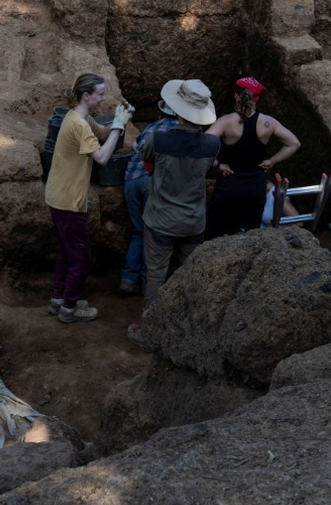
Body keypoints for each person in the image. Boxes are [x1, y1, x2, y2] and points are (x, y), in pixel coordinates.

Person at [44, 73, 133, 323]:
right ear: (86, 95)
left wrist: (118, 124)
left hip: (59, 195)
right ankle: (70, 309)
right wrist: (118, 125)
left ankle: (59, 299)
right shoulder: (79, 125)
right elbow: (103, 158)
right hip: (68, 200)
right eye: (101, 94)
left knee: (66, 250)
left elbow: (103, 135)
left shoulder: (81, 117)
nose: (103, 98)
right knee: (82, 257)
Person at [139, 79, 221, 310]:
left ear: (177, 109)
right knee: (190, 274)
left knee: (156, 274)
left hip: (160, 219)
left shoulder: (159, 140)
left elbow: (145, 156)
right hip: (193, 221)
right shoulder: (212, 144)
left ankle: (149, 329)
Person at [204, 77, 301, 239]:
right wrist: (272, 161)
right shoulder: (268, 123)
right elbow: (294, 143)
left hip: (229, 184)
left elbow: (203, 146)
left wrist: (218, 165)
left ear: (236, 96)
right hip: (255, 186)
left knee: (216, 232)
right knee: (249, 235)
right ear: (257, 99)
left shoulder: (226, 121)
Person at [119, 100, 179, 294]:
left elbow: (137, 145)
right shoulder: (178, 128)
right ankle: (148, 282)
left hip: (130, 180)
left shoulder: (151, 127)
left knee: (139, 231)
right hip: (150, 180)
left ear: (160, 113)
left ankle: (128, 279)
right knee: (152, 233)